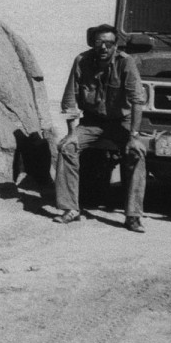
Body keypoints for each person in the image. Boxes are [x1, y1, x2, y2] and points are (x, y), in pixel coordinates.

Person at [53, 23, 148, 232]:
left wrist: (134, 135)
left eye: (109, 43)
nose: (104, 47)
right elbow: (69, 100)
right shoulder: (82, 61)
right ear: (92, 43)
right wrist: (71, 133)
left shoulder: (126, 63)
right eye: (99, 42)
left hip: (120, 123)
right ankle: (70, 209)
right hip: (92, 123)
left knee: (136, 153)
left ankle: (133, 215)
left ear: (116, 45)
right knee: (67, 148)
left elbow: (137, 100)